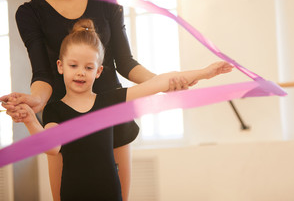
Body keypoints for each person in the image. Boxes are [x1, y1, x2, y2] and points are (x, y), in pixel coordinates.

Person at [0, 0, 189, 200]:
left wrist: (163, 82)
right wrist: (35, 100)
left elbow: (126, 62)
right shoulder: (29, 12)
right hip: (62, 118)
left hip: (111, 113)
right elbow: (43, 74)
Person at [11, 18, 233, 201]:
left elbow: (159, 82)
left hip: (110, 194)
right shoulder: (55, 110)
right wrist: (30, 119)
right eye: (73, 65)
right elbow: (52, 147)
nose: (80, 72)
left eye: (88, 67)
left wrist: (204, 73)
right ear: (60, 66)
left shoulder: (110, 101)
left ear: (98, 72)